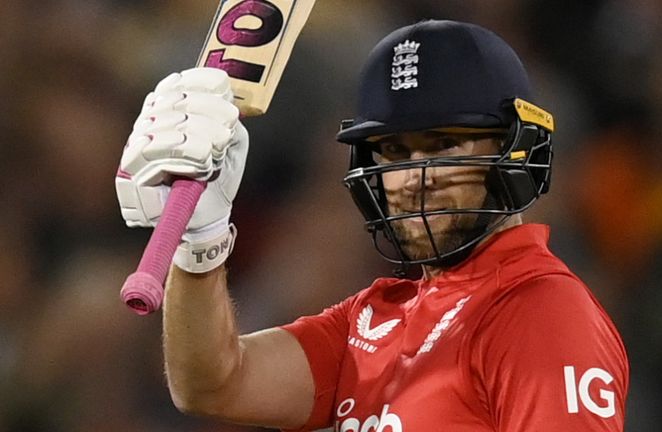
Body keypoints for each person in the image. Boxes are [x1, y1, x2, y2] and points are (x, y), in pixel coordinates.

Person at [116, 20, 629, 431]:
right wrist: (200, 241)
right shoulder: (377, 319)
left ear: (513, 151)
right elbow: (212, 384)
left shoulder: (538, 312)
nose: (413, 177)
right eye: (394, 152)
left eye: (444, 145)